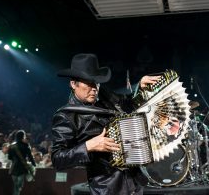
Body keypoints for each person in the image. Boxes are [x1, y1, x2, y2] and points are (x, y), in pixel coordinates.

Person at [51, 53, 160, 195]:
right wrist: (88, 146)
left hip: (135, 181)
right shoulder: (66, 115)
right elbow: (57, 159)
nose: (94, 87)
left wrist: (139, 87)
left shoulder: (104, 95)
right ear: (73, 84)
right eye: (88, 82)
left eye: (96, 82)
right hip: (107, 187)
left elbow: (127, 104)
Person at [8, 130, 36, 195]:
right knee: (18, 186)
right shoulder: (26, 145)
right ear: (23, 136)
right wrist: (34, 164)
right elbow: (30, 157)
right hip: (22, 168)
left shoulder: (11, 146)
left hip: (13, 168)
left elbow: (9, 157)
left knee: (16, 186)